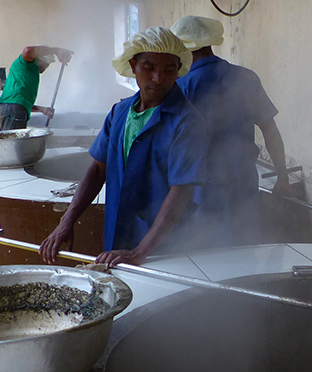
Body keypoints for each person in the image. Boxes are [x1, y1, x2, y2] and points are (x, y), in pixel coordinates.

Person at [39, 27, 207, 267]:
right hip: (119, 238)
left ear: (178, 71)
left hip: (164, 248)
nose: (158, 78)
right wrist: (66, 221)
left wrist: (140, 251)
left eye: (169, 70)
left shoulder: (187, 121)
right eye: (149, 68)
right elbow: (98, 170)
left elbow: (180, 191)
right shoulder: (120, 113)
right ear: (133, 65)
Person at [171, 15, 291, 246]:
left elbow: (171, 146)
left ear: (184, 49)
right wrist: (282, 177)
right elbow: (270, 130)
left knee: (206, 253)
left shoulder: (182, 86)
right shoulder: (246, 77)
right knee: (244, 250)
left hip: (201, 189)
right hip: (244, 181)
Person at [0, 45, 72, 130]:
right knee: (14, 142)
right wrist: (57, 50)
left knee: (12, 141)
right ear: (39, 59)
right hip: (12, 110)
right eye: (46, 64)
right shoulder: (25, 64)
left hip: (11, 109)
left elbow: (20, 102)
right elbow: (27, 50)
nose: (45, 68)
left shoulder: (29, 72)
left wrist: (42, 109)